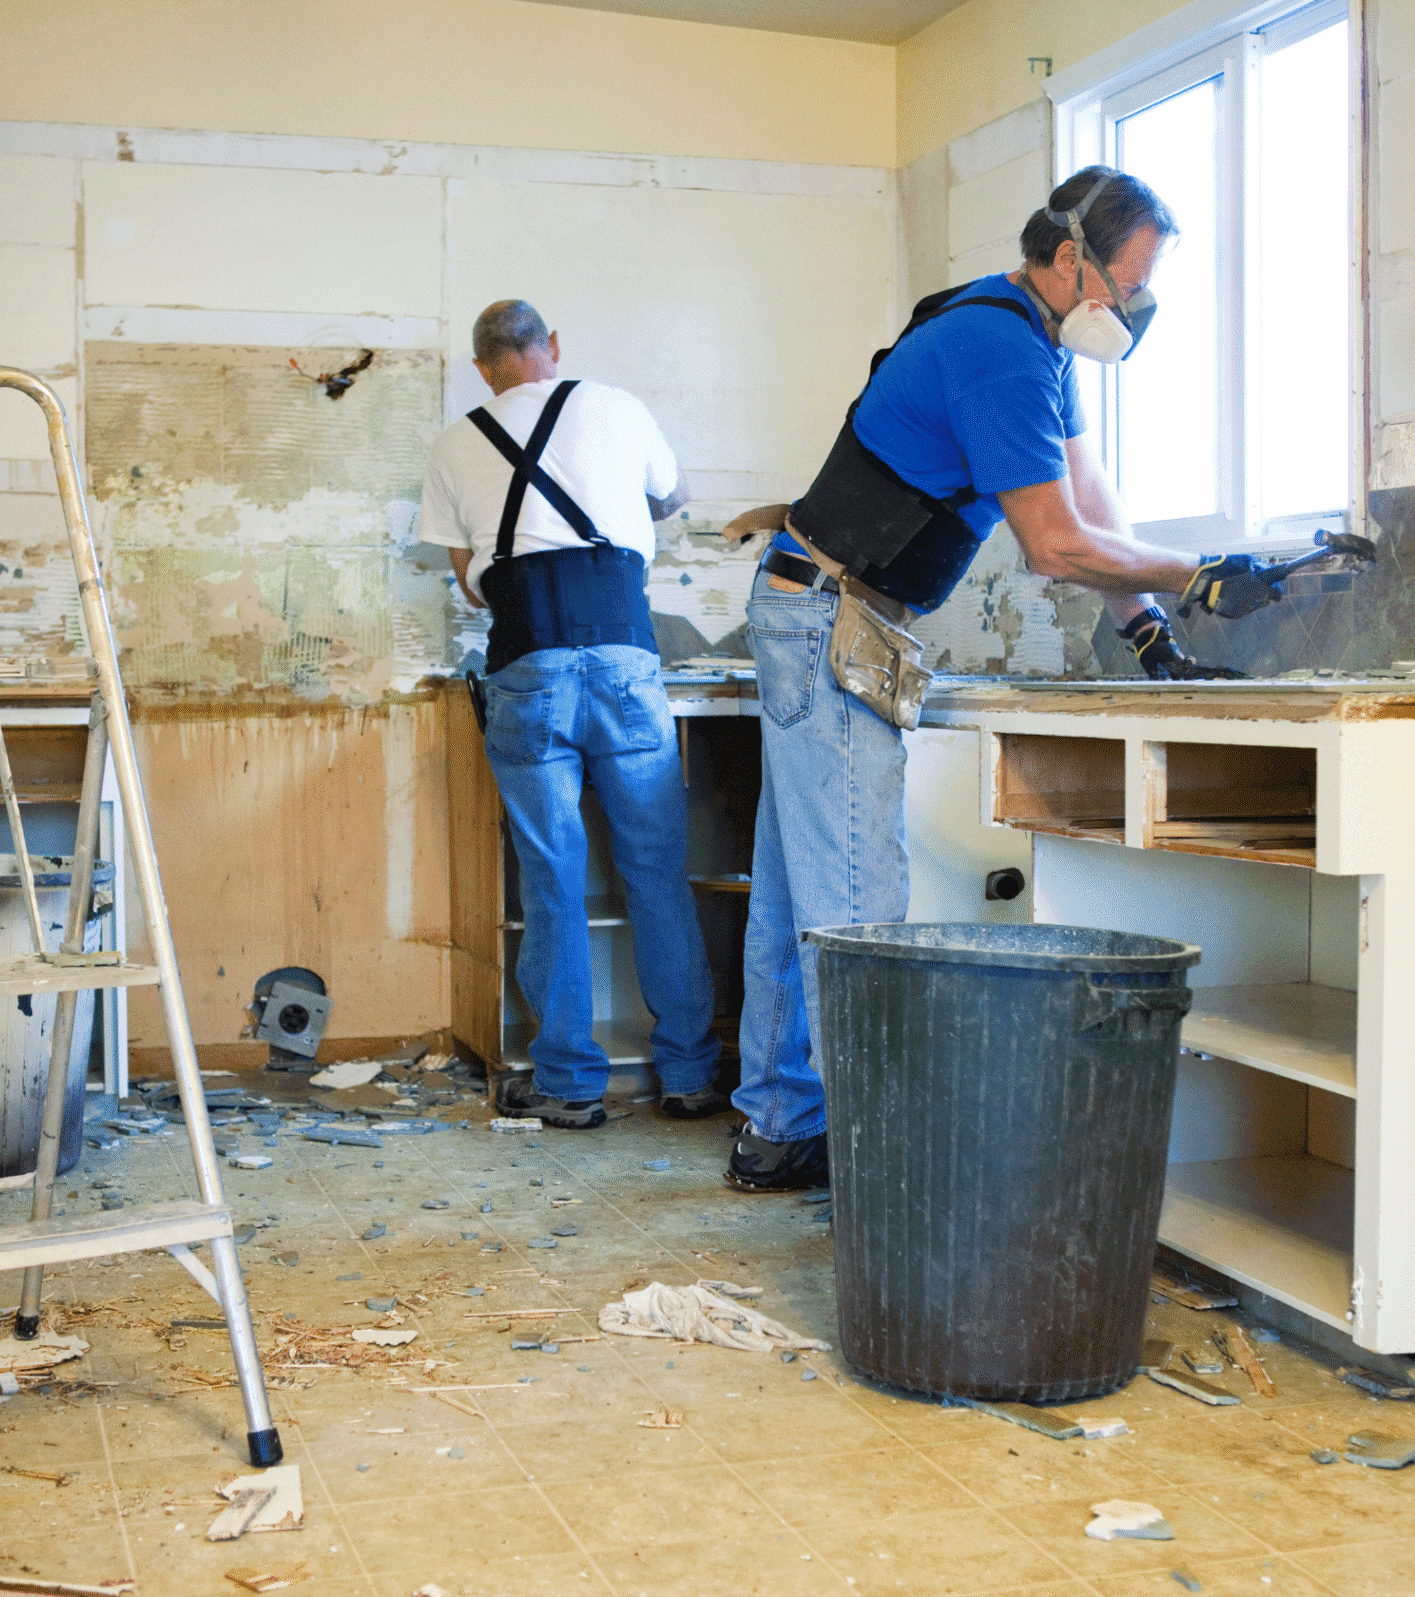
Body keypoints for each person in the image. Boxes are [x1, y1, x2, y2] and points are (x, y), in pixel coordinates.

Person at [720, 166, 1290, 1191]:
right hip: (830, 617)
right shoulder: (999, 350)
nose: (1137, 308)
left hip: (817, 607)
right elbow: (1054, 544)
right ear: (1070, 259)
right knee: (856, 903)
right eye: (1130, 285)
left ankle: (780, 1126)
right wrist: (1197, 571)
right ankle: (879, 1167)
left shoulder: (1034, 340)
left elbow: (1092, 507)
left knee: (799, 890)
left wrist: (1151, 632)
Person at [420, 300, 724, 1130]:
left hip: (527, 663)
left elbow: (470, 584)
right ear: (551, 346)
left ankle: (567, 1083)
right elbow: (674, 497)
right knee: (656, 871)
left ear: (481, 368)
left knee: (551, 878)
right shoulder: (616, 405)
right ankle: (690, 1074)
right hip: (625, 655)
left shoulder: (453, 445)